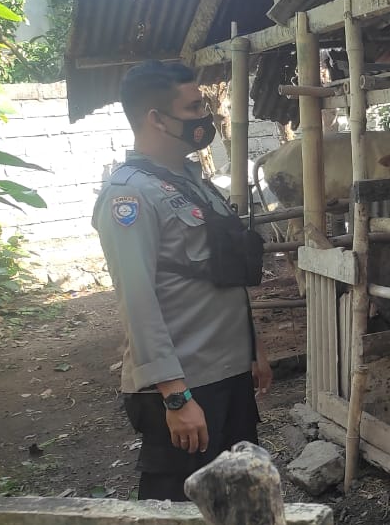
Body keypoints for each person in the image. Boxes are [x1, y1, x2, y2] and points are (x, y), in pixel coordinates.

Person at [92, 60, 271, 501]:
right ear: (156, 118)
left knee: (236, 497)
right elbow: (138, 300)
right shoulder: (129, 195)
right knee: (179, 505)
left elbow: (222, 277)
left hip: (227, 371)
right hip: (184, 382)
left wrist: (255, 349)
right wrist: (175, 397)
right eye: (194, 107)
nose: (204, 117)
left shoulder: (194, 183)